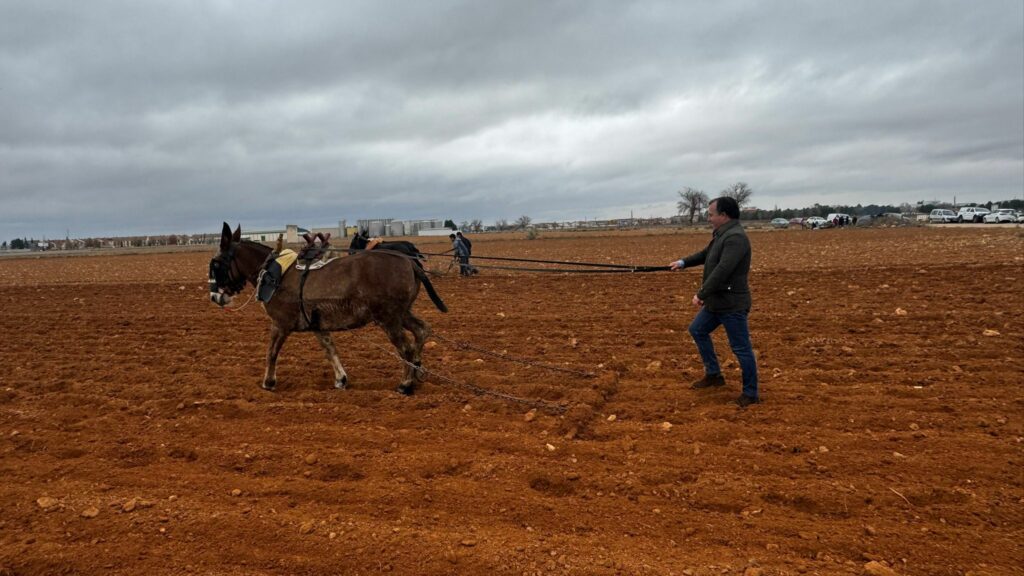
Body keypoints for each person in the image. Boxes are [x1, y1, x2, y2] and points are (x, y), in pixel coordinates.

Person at [668, 196, 760, 407]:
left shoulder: (736, 238)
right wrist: (683, 262)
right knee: (697, 330)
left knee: (741, 348)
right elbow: (706, 255)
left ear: (724, 215)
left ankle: (751, 394)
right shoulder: (723, 234)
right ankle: (714, 375)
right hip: (718, 302)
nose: (708, 218)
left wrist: (701, 294)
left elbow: (723, 270)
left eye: (711, 214)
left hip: (732, 304)